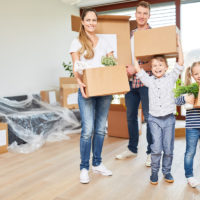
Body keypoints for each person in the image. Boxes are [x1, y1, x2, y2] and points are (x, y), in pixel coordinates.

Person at [69, 8, 114, 184]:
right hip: (86, 90)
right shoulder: (76, 42)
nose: (91, 23)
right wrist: (79, 83)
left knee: (101, 129)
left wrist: (113, 67)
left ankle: (97, 163)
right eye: (88, 20)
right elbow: (76, 68)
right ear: (82, 22)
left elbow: (112, 63)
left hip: (103, 91)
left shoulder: (105, 42)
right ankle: (84, 167)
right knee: (87, 131)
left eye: (94, 20)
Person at [133, 35, 184, 185]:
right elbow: (137, 68)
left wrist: (178, 44)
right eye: (154, 66)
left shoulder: (171, 78)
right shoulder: (149, 81)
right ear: (151, 69)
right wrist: (135, 49)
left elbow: (180, 62)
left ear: (166, 67)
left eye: (160, 65)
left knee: (168, 149)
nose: (157, 68)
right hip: (154, 119)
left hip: (168, 119)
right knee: (156, 148)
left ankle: (166, 171)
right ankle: (154, 172)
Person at [115, 1, 152, 167]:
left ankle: (152, 152)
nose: (141, 16)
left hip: (146, 81)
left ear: (149, 15)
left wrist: (136, 69)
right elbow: (124, 58)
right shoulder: (129, 35)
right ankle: (132, 148)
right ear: (135, 14)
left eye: (145, 13)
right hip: (129, 83)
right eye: (139, 13)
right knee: (130, 116)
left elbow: (158, 63)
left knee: (150, 118)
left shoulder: (154, 35)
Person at [175, 61, 200, 188]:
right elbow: (176, 100)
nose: (199, 75)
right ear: (192, 75)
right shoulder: (190, 89)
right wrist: (185, 98)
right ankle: (189, 176)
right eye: (196, 73)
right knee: (190, 152)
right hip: (192, 126)